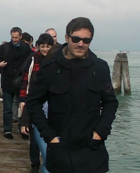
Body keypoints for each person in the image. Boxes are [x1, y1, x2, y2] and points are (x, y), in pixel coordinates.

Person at [26, 17, 118, 173]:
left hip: (92, 151)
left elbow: (110, 102)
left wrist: (101, 131)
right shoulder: (49, 69)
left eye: (86, 40)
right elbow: (33, 102)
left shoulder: (100, 68)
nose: (80, 44)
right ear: (67, 37)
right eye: (76, 39)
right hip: (60, 151)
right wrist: (49, 136)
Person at [18, 33, 54, 173]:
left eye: (48, 46)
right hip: (34, 102)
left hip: (50, 105)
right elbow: (25, 80)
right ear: (38, 46)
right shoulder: (33, 60)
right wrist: (22, 99)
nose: (45, 49)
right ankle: (34, 164)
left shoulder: (56, 60)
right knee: (34, 139)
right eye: (43, 46)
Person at [0, 27, 33, 139]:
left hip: (21, 80)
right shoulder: (5, 48)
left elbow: (31, 60)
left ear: (21, 36)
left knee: (22, 106)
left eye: (16, 37)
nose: (14, 39)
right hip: (8, 81)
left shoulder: (26, 48)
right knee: (7, 108)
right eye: (12, 37)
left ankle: (22, 128)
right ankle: (7, 130)